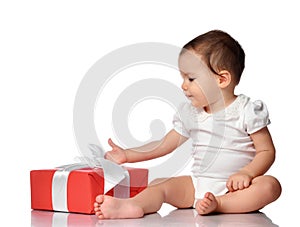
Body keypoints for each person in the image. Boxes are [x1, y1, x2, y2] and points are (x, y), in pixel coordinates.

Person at [93, 30, 282, 219]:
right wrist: (127, 155)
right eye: (183, 78)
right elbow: (165, 144)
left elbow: (266, 151)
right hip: (197, 185)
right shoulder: (192, 113)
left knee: (270, 186)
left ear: (222, 79)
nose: (184, 85)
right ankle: (132, 205)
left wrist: (247, 173)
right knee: (160, 184)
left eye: (191, 78)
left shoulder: (246, 110)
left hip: (237, 189)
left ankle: (221, 204)